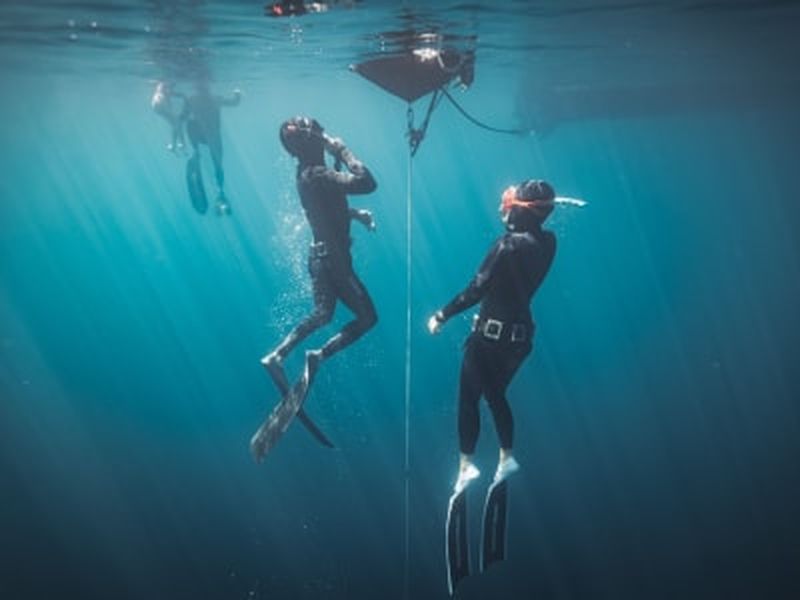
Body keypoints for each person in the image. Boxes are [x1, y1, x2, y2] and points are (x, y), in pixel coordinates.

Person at [427, 180, 557, 493]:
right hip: (521, 338)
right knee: (495, 394)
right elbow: (512, 287)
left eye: (510, 206)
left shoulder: (506, 245)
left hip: (490, 338)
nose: (504, 210)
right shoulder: (549, 242)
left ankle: (466, 467)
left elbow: (476, 289)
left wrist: (441, 315)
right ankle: (506, 457)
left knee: (469, 399)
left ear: (522, 210)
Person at [262, 116, 378, 383]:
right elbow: (367, 183)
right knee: (368, 317)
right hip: (335, 262)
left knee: (323, 314)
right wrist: (342, 151)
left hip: (320, 257)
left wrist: (354, 214)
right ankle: (318, 355)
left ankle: (278, 355)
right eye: (318, 132)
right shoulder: (319, 173)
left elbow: (324, 211)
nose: (324, 134)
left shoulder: (306, 173)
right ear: (310, 141)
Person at [181, 81, 242, 215]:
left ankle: (196, 154)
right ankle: (221, 193)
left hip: (200, 134)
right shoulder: (215, 98)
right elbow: (234, 103)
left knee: (191, 126)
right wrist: (237, 93)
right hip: (212, 136)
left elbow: (182, 118)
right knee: (218, 165)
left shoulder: (192, 99)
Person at [151, 81, 186, 154]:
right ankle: (179, 144)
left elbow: (170, 94)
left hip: (157, 106)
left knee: (175, 124)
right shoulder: (163, 90)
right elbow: (165, 96)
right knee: (176, 123)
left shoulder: (164, 90)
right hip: (159, 105)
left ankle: (176, 145)